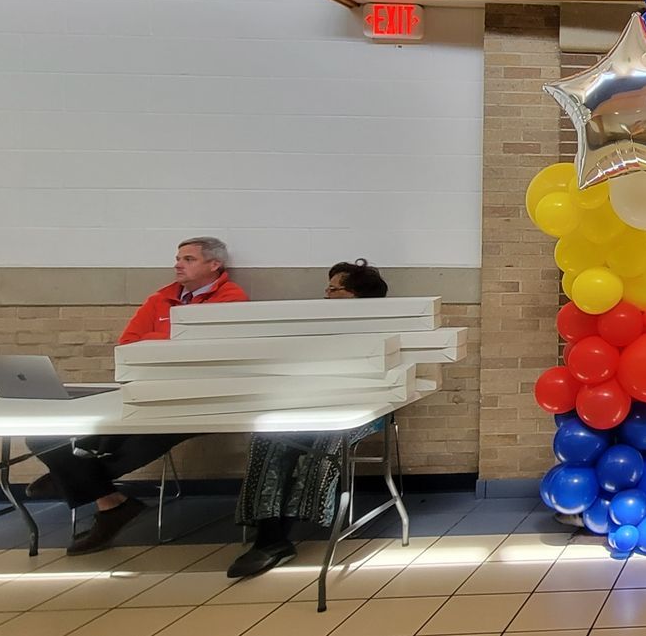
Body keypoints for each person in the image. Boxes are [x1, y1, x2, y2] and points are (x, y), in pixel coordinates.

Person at [26, 237, 248, 555]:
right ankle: (108, 499)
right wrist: (172, 341)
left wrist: (158, 341)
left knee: (126, 443)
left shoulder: (231, 299)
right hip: (143, 389)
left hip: (195, 399)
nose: (177, 264)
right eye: (178, 258)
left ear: (214, 265)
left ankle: (71, 481)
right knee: (43, 438)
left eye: (188, 259)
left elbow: (203, 351)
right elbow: (128, 343)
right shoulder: (160, 298)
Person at [227, 259, 390, 578]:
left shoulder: (382, 327)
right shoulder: (313, 325)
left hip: (362, 410)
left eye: (334, 289)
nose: (327, 295)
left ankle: (286, 529)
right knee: (269, 438)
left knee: (325, 442)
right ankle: (270, 535)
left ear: (357, 296)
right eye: (326, 288)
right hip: (310, 405)